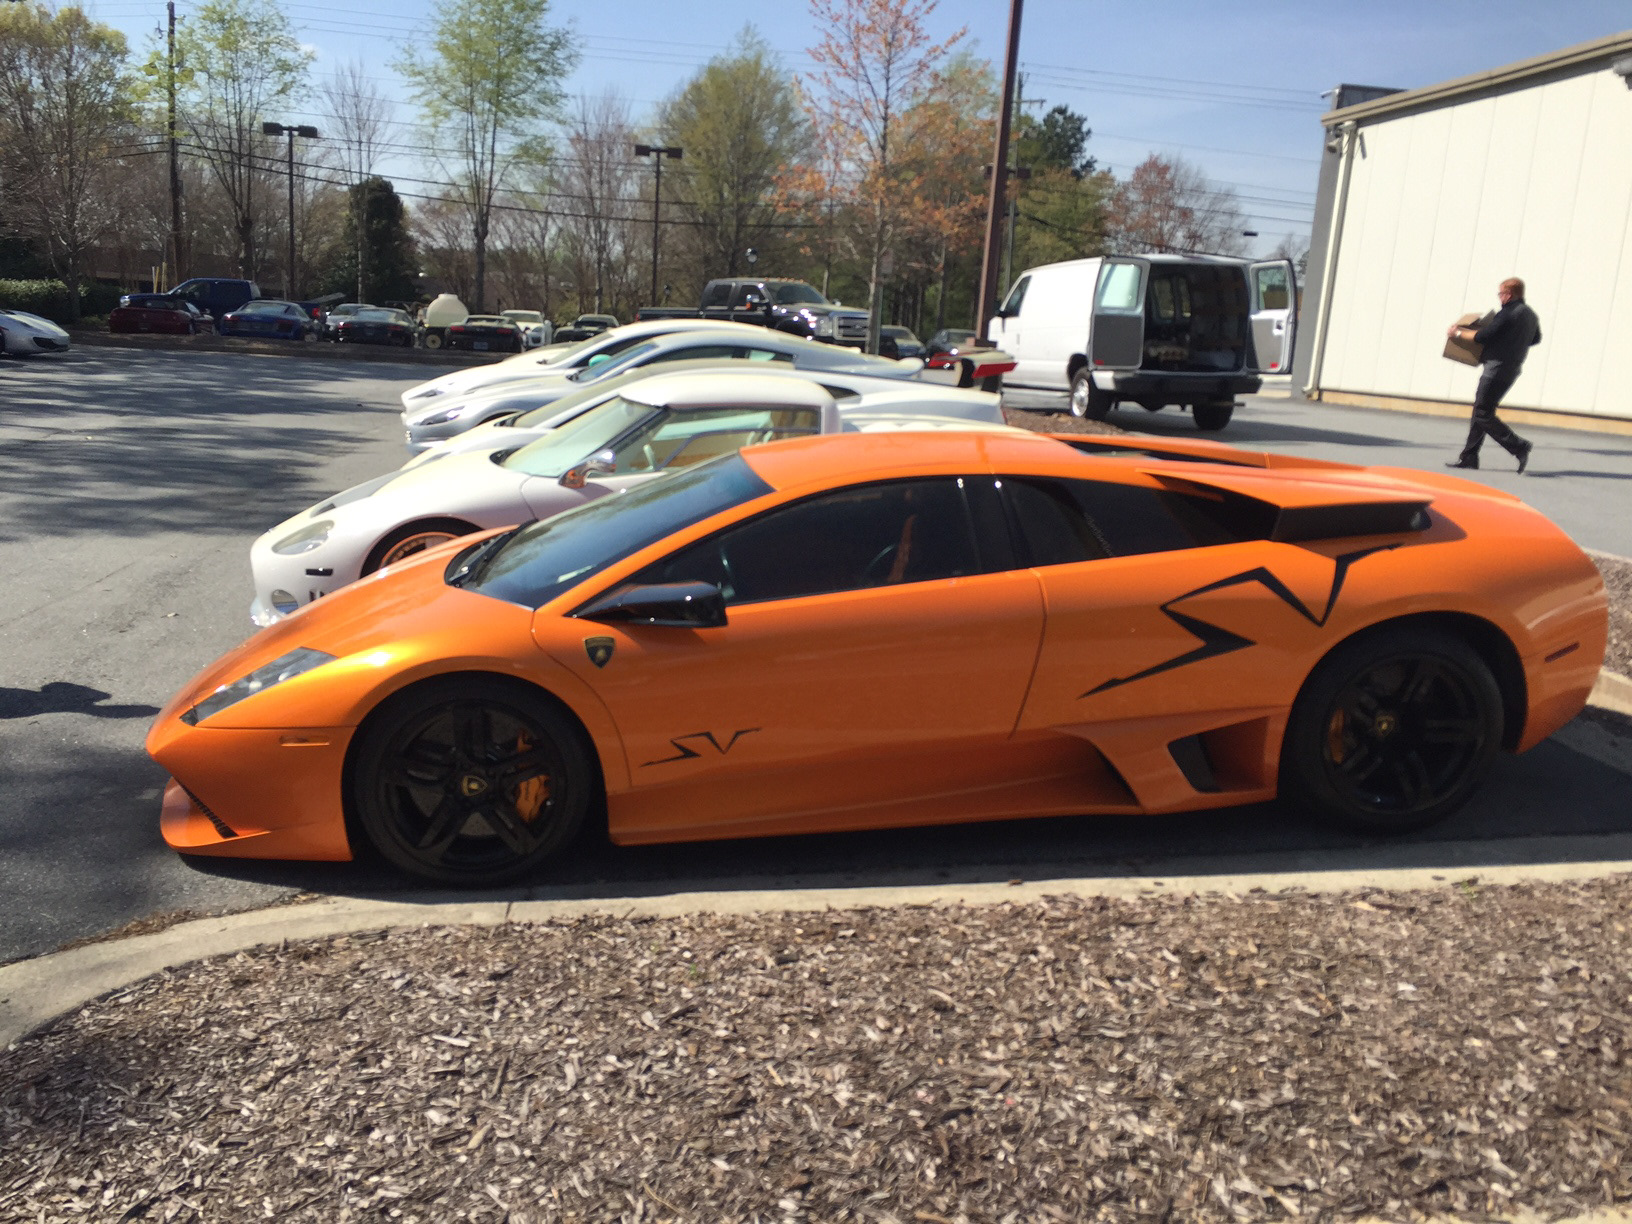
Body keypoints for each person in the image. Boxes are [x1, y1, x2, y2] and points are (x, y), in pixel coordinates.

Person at [1445, 277, 1541, 472]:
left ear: (1508, 294)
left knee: (1482, 412)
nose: (1499, 298)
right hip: (1512, 369)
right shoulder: (1530, 314)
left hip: (1495, 369)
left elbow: (1483, 336)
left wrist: (1457, 334)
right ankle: (1469, 457)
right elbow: (1536, 338)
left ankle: (1519, 446)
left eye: (1500, 294)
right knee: (1481, 410)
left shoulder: (1507, 313)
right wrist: (1514, 342)